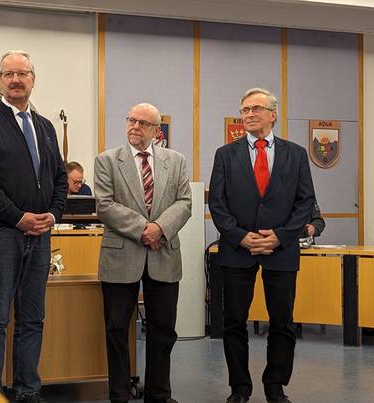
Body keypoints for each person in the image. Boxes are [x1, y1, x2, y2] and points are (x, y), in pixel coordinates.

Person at [0, 50, 67, 402]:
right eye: (8, 74)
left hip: (40, 236)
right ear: (0, 80)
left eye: (22, 73)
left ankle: (28, 391)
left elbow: (59, 178)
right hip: (0, 235)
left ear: (33, 78)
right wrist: (18, 217)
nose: (16, 80)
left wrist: (52, 215)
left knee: (32, 319)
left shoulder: (45, 127)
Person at [208, 88, 316, 403]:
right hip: (236, 250)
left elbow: (305, 201)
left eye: (256, 108)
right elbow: (217, 203)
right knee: (234, 322)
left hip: (280, 251)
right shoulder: (225, 154)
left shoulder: (295, 154)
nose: (249, 114)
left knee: (282, 322)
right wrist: (240, 236)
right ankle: (239, 388)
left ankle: (275, 385)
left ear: (273, 114)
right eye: (244, 110)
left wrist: (280, 236)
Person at [94, 103, 192, 403]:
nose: (134, 126)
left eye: (143, 123)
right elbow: (105, 205)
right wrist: (143, 229)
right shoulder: (108, 160)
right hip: (120, 256)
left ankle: (159, 394)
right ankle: (119, 394)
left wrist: (160, 228)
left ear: (156, 130)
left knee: (163, 330)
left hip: (163, 253)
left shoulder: (175, 161)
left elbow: (185, 202)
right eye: (131, 120)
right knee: (116, 329)